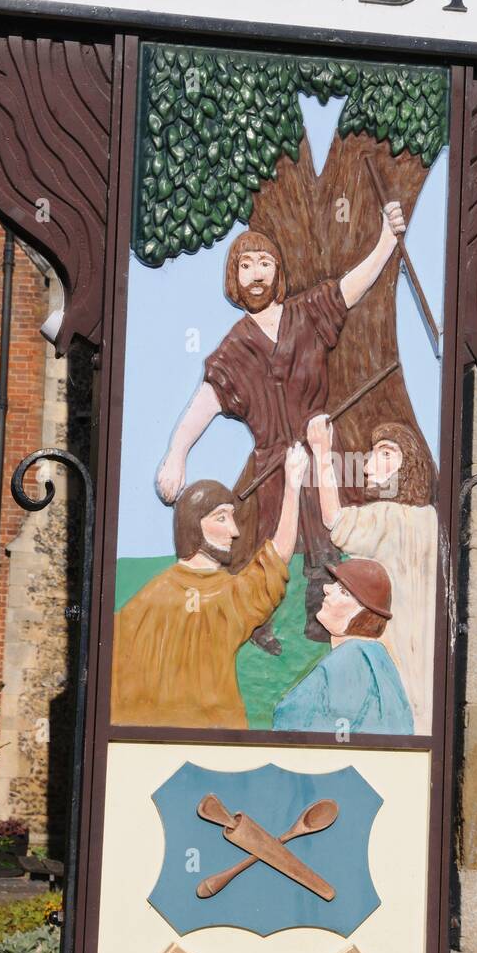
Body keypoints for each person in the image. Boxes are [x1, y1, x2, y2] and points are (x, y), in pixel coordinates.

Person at [155, 202, 407, 649]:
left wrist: (387, 239)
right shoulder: (234, 348)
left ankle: (319, 616)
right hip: (272, 460)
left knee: (325, 534)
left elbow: (351, 287)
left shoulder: (308, 313)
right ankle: (256, 621)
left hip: (320, 446)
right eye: (246, 265)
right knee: (265, 537)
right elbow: (203, 404)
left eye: (264, 264)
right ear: (234, 277)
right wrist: (176, 455)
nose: (256, 274)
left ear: (277, 272)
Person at [112, 444, 308, 729]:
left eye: (231, 518)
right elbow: (277, 558)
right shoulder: (223, 598)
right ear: (193, 524)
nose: (234, 531)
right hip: (213, 737)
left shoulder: (148, 599)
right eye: (221, 518)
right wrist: (292, 486)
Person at [306, 413, 437, 734]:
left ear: (409, 466)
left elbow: (334, 520)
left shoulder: (388, 517)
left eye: (385, 454)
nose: (367, 466)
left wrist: (321, 451)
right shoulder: (429, 520)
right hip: (422, 662)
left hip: (391, 656)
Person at [272, 558, 413, 736]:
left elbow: (297, 720)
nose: (327, 588)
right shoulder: (375, 656)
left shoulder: (351, 657)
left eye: (343, 591)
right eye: (336, 585)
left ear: (362, 614)